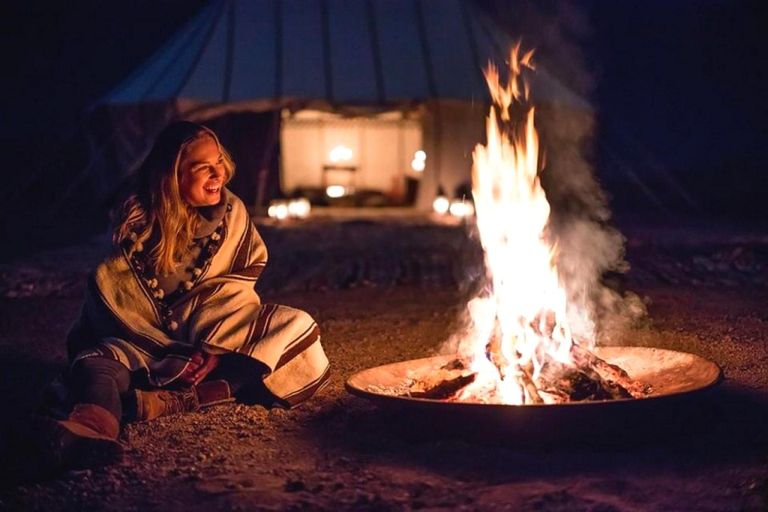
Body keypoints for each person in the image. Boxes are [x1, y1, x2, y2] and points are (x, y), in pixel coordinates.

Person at [42, 121, 330, 471]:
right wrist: (172, 351)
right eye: (202, 167)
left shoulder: (232, 215)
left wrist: (212, 347)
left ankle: (174, 401)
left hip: (209, 342)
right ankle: (90, 431)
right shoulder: (135, 223)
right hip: (140, 342)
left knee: (296, 329)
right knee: (98, 363)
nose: (218, 173)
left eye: (219, 161)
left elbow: (233, 289)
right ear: (172, 175)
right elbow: (114, 294)